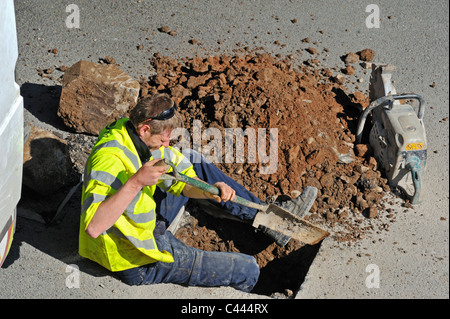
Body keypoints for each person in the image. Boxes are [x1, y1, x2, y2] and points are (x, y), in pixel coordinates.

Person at [79, 93, 317, 293]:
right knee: (248, 268)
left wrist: (210, 192)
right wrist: (135, 182)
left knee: (191, 159)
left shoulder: (133, 134)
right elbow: (94, 227)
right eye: (163, 140)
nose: (167, 145)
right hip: (135, 258)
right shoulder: (109, 160)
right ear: (144, 129)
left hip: (145, 222)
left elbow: (183, 182)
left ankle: (271, 222)